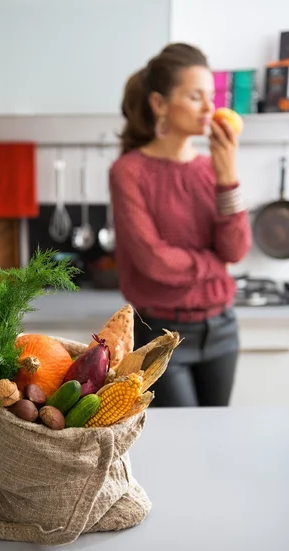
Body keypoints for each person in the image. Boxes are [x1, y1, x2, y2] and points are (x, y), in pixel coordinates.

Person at [109, 43, 252, 408]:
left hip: (221, 330)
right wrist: (214, 264)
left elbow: (235, 249)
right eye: (195, 96)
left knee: (217, 439)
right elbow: (154, 262)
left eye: (212, 96)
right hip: (160, 335)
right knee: (183, 449)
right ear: (160, 104)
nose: (210, 108)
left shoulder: (211, 168)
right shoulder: (129, 172)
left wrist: (228, 177)